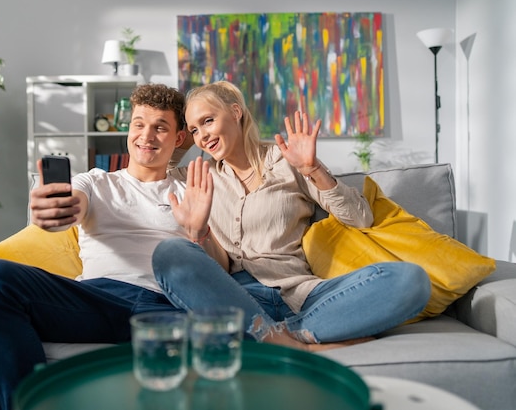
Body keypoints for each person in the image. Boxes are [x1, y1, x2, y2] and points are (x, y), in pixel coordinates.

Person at [0, 84, 221, 410]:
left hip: (167, 305)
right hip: (99, 299)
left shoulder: (193, 187)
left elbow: (218, 269)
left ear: (179, 137)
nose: (147, 135)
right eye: (139, 124)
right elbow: (73, 204)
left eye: (160, 127)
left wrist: (198, 231)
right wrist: (56, 212)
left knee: (227, 332)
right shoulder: (96, 181)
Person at [154, 80, 432, 350]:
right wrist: (199, 232)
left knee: (411, 280)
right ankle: (297, 342)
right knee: (170, 253)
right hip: (238, 298)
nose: (201, 136)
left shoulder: (288, 159)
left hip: (302, 296)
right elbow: (153, 164)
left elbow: (361, 218)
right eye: (193, 130)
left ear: (235, 112)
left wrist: (313, 169)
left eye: (207, 121)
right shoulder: (199, 177)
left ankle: (280, 337)